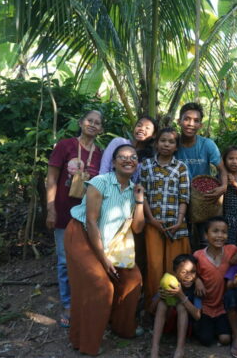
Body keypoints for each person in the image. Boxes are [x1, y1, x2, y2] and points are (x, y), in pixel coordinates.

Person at [65, 144, 145, 356]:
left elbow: (137, 227)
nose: (128, 160)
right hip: (81, 236)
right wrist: (104, 259)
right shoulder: (100, 182)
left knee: (133, 279)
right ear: (113, 161)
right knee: (101, 285)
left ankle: (122, 328)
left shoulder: (133, 189)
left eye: (133, 157)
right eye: (122, 157)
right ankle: (85, 342)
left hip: (110, 242)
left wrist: (139, 201)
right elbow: (91, 222)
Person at [46, 110, 104, 328]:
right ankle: (68, 304)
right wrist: (50, 208)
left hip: (88, 215)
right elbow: (51, 177)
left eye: (97, 123)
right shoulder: (65, 146)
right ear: (80, 122)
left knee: (87, 260)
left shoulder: (100, 153)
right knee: (64, 260)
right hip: (63, 211)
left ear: (101, 129)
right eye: (89, 120)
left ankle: (85, 301)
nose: (92, 125)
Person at [140, 128, 191, 312]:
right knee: (154, 267)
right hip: (153, 224)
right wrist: (151, 219)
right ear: (156, 143)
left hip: (176, 225)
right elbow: (142, 194)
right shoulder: (146, 165)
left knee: (175, 266)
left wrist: (179, 220)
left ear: (176, 146)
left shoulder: (181, 167)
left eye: (171, 142)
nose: (166, 144)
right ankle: (153, 308)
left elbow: (184, 197)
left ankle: (175, 310)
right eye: (163, 140)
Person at [175, 102, 227, 249]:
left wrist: (223, 186)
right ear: (179, 121)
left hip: (203, 199)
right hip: (178, 198)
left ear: (200, 125)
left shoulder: (207, 145)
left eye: (196, 120)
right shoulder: (173, 143)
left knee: (206, 241)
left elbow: (222, 170)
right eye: (187, 119)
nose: (191, 124)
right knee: (183, 240)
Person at [193, 216, 237, 346]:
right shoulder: (198, 255)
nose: (220, 235)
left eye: (224, 232)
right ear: (206, 235)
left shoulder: (232, 250)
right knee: (206, 340)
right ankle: (202, 325)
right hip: (205, 306)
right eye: (215, 231)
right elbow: (190, 273)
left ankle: (217, 327)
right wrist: (197, 280)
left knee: (225, 340)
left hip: (223, 307)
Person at [150, 254, 202, 358]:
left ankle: (180, 349)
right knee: (161, 304)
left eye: (193, 272)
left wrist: (182, 296)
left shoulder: (196, 288)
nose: (189, 276)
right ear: (175, 272)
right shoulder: (169, 284)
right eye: (184, 272)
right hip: (168, 323)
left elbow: (197, 316)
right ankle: (154, 348)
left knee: (181, 306)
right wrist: (161, 295)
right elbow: (151, 310)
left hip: (188, 326)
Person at [99, 115, 158, 181]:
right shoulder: (118, 142)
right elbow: (104, 166)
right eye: (139, 125)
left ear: (154, 135)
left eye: (147, 128)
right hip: (106, 186)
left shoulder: (149, 158)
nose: (141, 129)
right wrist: (102, 185)